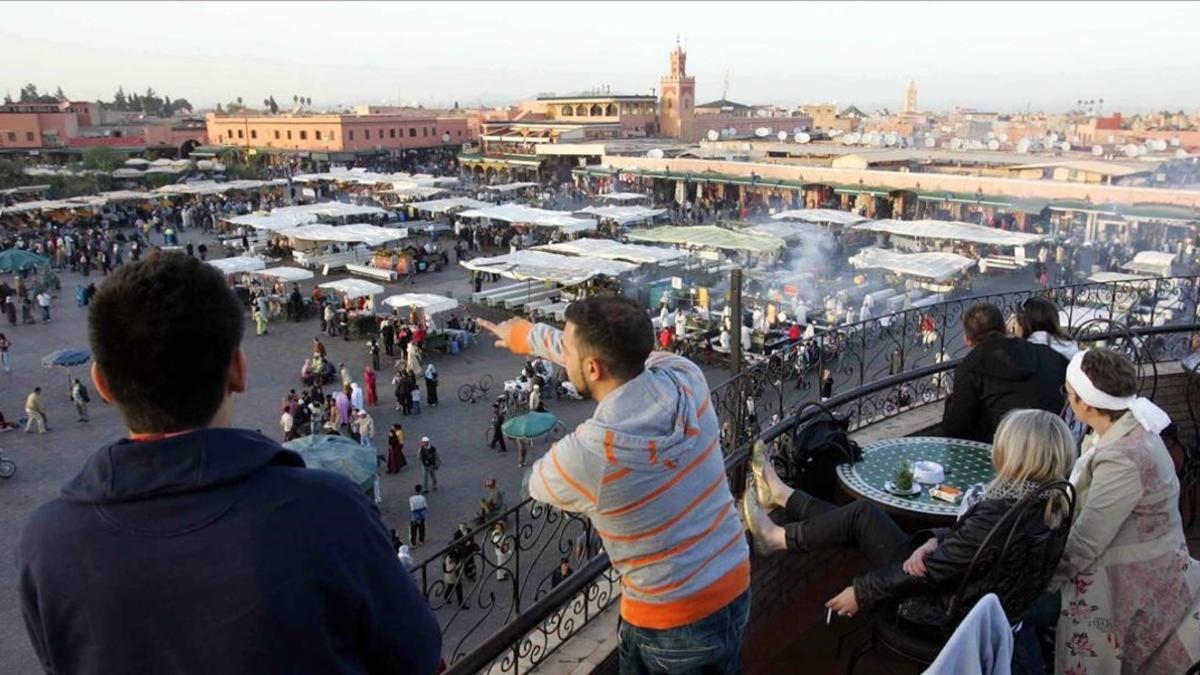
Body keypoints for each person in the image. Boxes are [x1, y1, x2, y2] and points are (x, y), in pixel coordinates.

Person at [15, 252, 440, 674]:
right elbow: (416, 653)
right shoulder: (329, 509)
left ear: (102, 383)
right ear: (238, 369)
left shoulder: (47, 541)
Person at [479, 296, 750, 673]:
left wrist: (530, 338)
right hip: (733, 577)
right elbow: (614, 360)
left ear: (592, 368)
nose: (563, 356)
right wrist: (529, 337)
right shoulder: (685, 375)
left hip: (670, 617)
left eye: (568, 350)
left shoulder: (589, 454)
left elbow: (535, 483)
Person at [745, 410, 1073, 630]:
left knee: (861, 515)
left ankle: (776, 535)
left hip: (938, 607)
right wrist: (934, 539)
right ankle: (782, 498)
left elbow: (935, 570)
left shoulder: (1004, 511)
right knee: (861, 517)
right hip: (975, 601)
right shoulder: (1049, 501)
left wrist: (860, 592)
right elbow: (974, 544)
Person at [1048, 348, 1200, 674]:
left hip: (1138, 577)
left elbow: (1086, 541)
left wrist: (1045, 579)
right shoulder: (1128, 432)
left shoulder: (1122, 458)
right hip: (1159, 559)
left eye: (1068, 392)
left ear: (1085, 403)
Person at [942, 303, 1069, 443]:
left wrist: (950, 402)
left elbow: (954, 427)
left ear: (967, 340)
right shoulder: (1050, 356)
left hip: (1002, 452)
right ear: (1005, 329)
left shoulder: (970, 368)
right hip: (1053, 445)